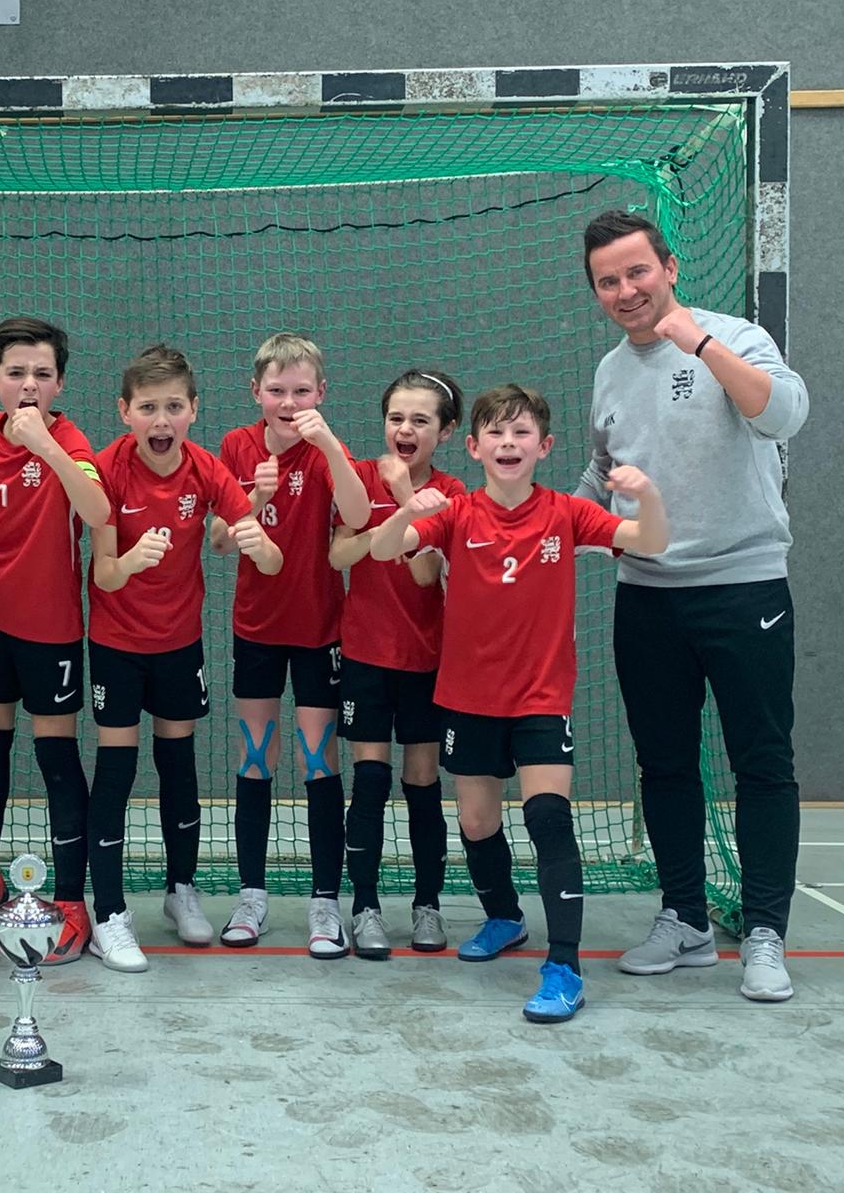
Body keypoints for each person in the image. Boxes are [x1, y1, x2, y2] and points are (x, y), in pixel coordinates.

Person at [369, 383, 667, 1022]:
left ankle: (564, 966)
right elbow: (383, 549)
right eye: (496, 433)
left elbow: (651, 541)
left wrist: (647, 495)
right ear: (475, 448)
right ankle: (505, 917)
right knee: (477, 823)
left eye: (522, 432)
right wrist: (404, 507)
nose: (509, 443)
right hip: (468, 696)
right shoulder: (457, 514)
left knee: (549, 818)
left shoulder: (567, 513)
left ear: (545, 446)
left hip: (540, 696)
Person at [580, 209, 810, 1002]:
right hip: (648, 598)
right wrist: (529, 528)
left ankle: (765, 931)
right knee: (665, 762)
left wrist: (700, 345)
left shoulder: (736, 338)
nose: (625, 290)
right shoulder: (610, 371)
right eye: (607, 281)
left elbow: (783, 415)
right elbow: (600, 477)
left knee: (762, 762)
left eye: (636, 272)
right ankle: (683, 917)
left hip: (745, 589)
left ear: (670, 267)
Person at [84, 345, 282, 972]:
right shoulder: (106, 468)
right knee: (116, 771)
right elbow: (104, 573)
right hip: (116, 643)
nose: (161, 419)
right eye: (148, 408)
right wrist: (131, 560)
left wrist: (258, 545)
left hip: (179, 642)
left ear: (193, 409)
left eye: (173, 406)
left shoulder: (205, 469)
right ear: (125, 412)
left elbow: (267, 555)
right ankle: (109, 914)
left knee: (178, 767)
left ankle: (181, 890)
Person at [0, 317, 111, 963]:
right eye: (16, 373)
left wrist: (46, 445)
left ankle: (72, 902)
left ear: (59, 384)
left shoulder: (71, 440)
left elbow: (97, 512)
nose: (28, 385)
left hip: (53, 630)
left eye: (42, 374)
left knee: (57, 762)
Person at [213, 332, 372, 958]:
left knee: (319, 761)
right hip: (256, 627)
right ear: (256, 392)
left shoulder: (330, 449)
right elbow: (218, 540)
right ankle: (251, 896)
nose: (288, 402)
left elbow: (358, 517)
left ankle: (324, 903)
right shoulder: (237, 445)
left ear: (321, 393)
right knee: (256, 758)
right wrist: (256, 496)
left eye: (301, 390)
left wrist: (328, 444)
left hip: (318, 631)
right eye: (276, 390)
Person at [328, 369, 466, 959]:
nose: (405, 430)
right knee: (370, 781)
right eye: (396, 418)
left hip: (427, 658)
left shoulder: (452, 493)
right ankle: (364, 908)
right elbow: (340, 553)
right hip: (365, 654)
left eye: (420, 420)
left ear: (447, 431)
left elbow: (425, 571)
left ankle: (427, 905)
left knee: (423, 784)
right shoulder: (360, 477)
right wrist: (387, 516)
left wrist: (407, 497)